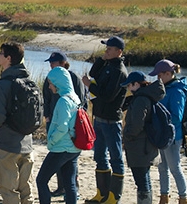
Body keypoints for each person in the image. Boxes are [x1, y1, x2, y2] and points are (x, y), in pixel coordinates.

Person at [82, 36, 129, 204]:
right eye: (106, 48)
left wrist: (90, 86)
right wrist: (102, 60)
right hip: (99, 118)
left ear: (119, 52)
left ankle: (113, 196)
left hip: (111, 120)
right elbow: (94, 73)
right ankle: (101, 193)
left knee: (115, 157)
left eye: (109, 49)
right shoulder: (107, 65)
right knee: (99, 156)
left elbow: (108, 96)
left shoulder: (120, 71)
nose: (106, 51)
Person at [0, 41, 36, 204]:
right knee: (26, 190)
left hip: (8, 144)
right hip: (27, 141)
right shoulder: (30, 81)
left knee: (8, 189)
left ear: (8, 58)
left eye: (1, 53)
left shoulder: (3, 84)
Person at [42, 52, 87, 197]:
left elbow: (81, 105)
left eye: (54, 62)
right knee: (67, 178)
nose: (51, 65)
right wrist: (47, 116)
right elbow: (46, 98)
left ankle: (71, 190)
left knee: (42, 180)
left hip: (67, 134)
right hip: (56, 124)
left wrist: (52, 141)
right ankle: (62, 188)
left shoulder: (73, 80)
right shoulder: (51, 78)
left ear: (63, 63)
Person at [35, 66, 82, 204]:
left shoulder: (63, 101)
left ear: (58, 83)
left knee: (41, 180)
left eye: (50, 83)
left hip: (61, 147)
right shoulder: (75, 98)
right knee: (70, 184)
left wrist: (51, 141)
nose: (49, 87)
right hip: (73, 147)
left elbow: (62, 127)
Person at [120, 71, 165, 204]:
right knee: (144, 180)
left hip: (140, 146)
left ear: (137, 84)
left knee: (142, 181)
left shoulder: (140, 99)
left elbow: (137, 125)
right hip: (145, 145)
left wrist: (126, 135)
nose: (128, 88)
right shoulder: (146, 96)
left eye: (130, 85)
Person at [150, 60, 187, 204]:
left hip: (173, 136)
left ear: (168, 73)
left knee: (175, 168)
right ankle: (164, 197)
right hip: (163, 135)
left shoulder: (177, 90)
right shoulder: (166, 88)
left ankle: (183, 197)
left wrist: (160, 124)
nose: (157, 78)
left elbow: (176, 117)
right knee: (162, 167)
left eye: (159, 75)